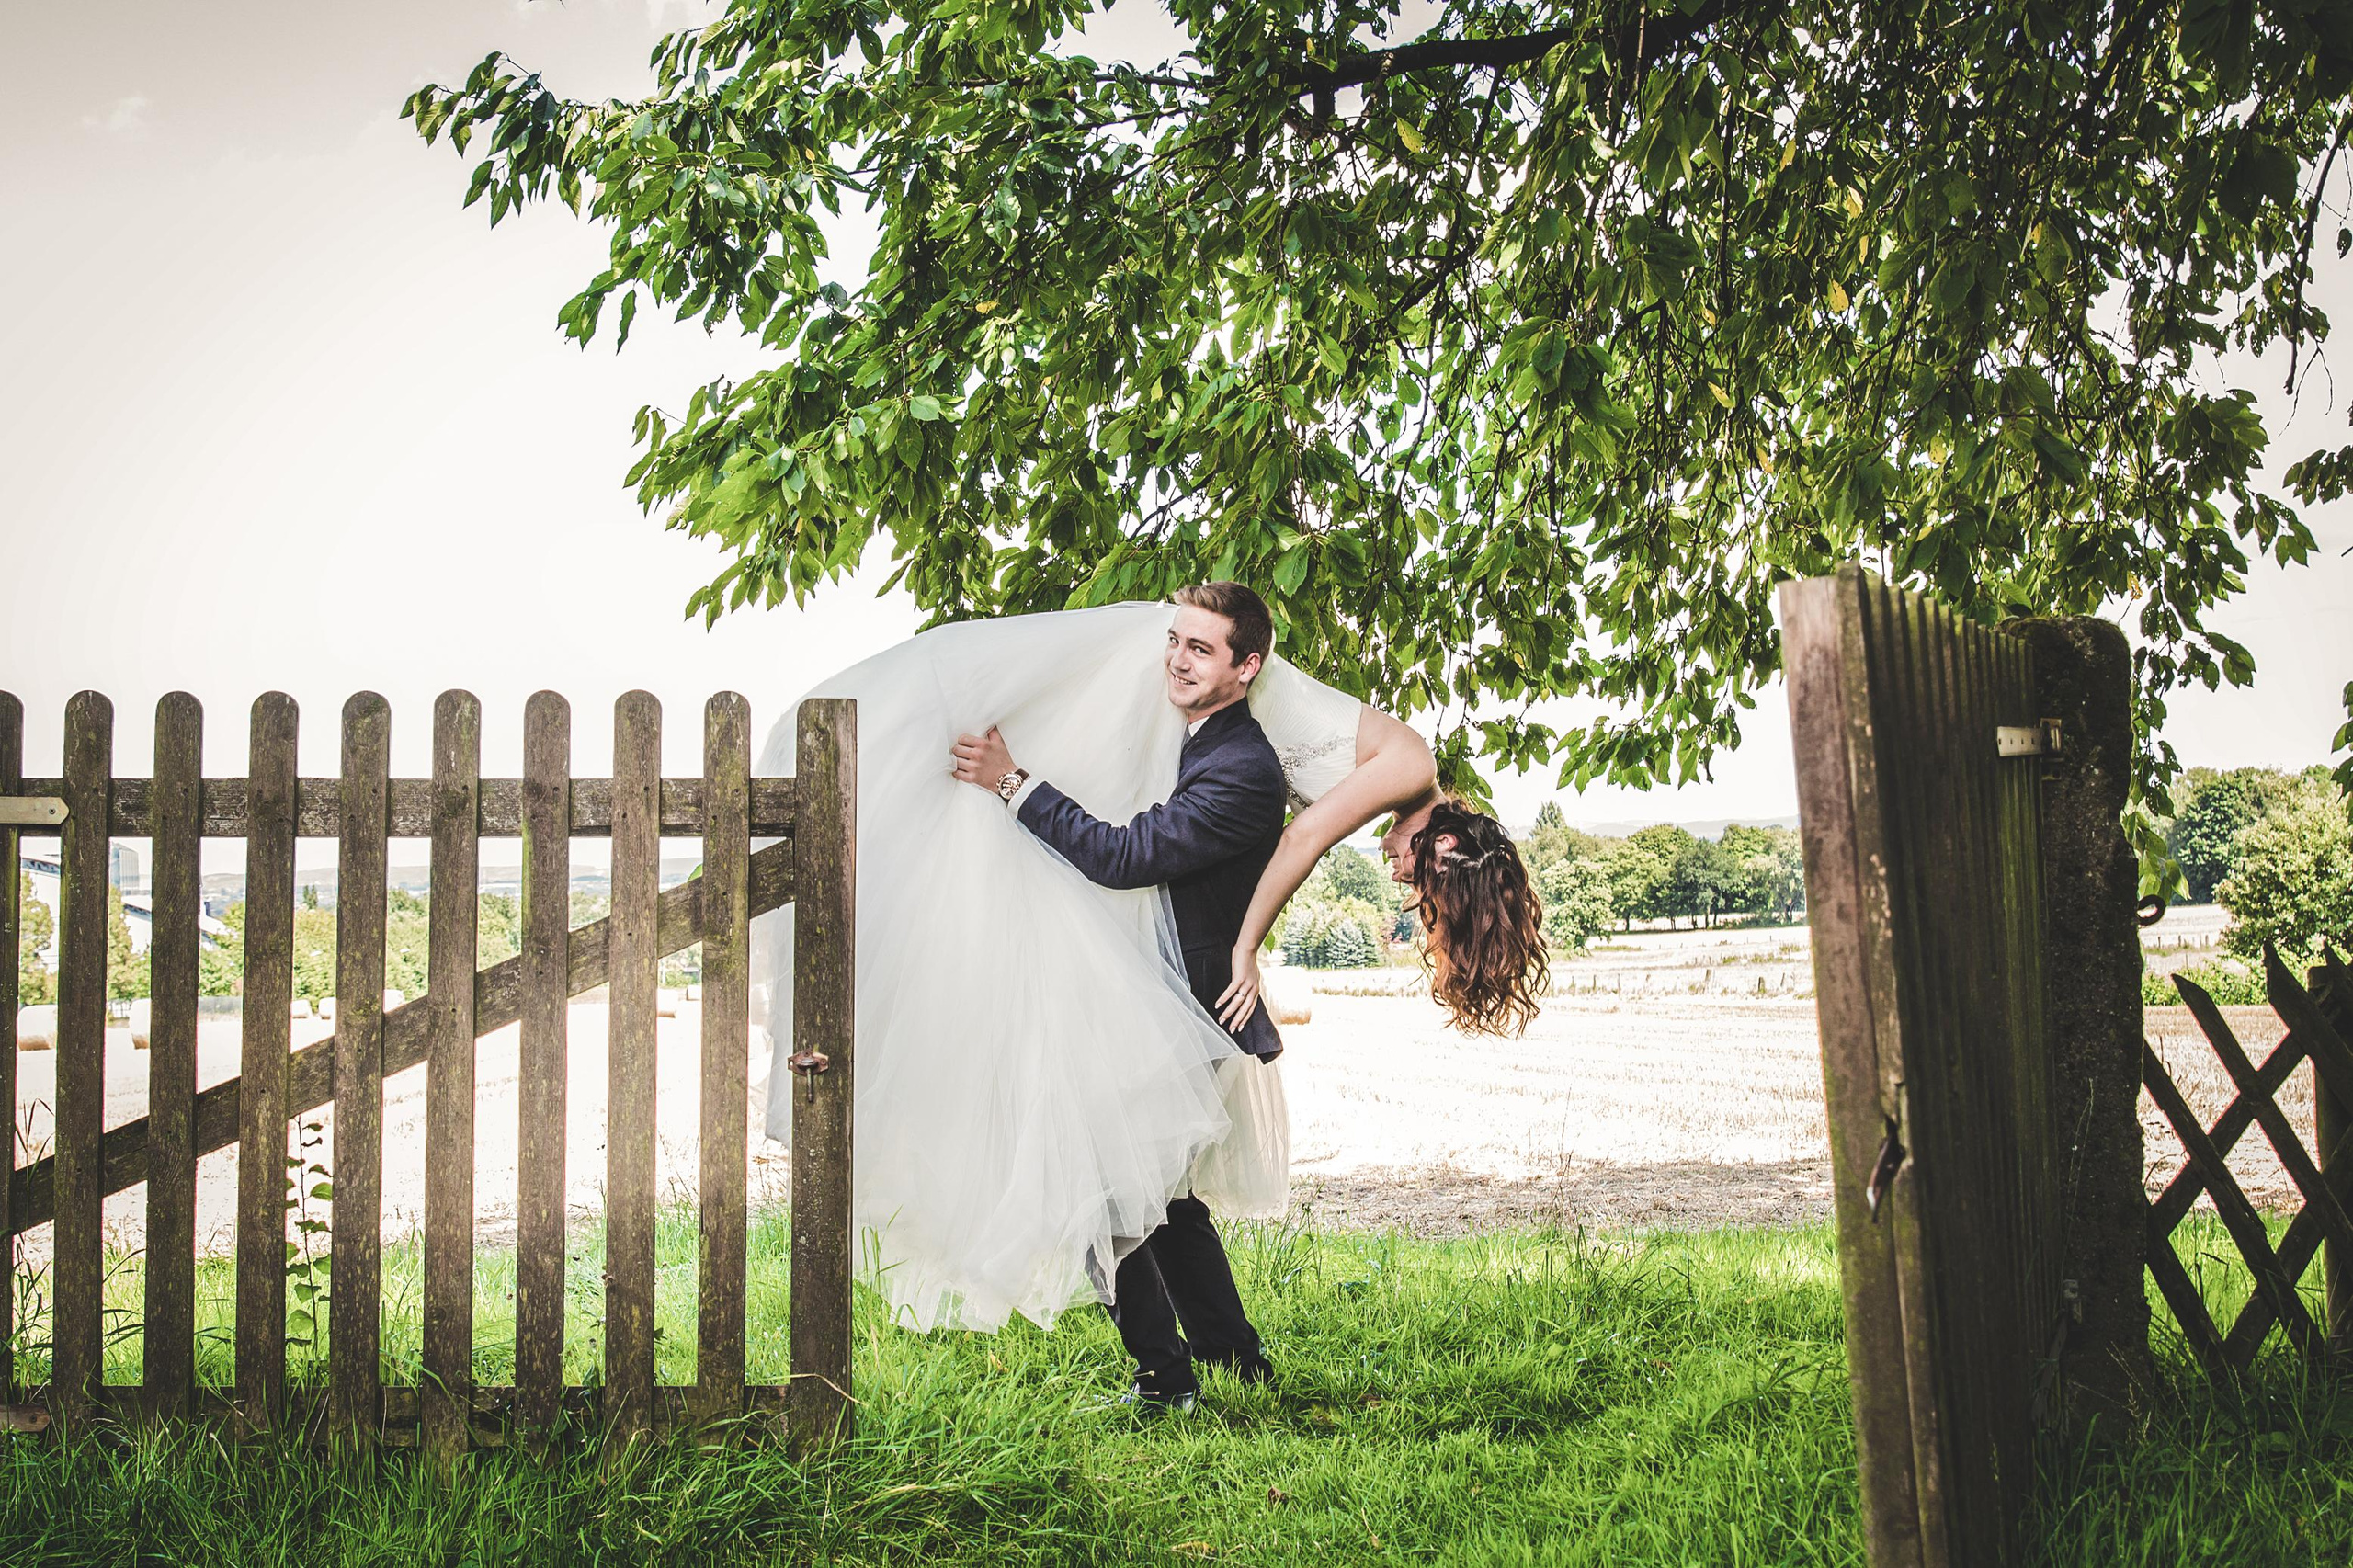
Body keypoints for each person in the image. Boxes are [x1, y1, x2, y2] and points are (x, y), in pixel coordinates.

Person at [749, 585, 1546, 1375]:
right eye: (1419, 878)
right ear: (1446, 851)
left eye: (1410, 888)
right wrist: (1246, 948)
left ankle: (1180, 1372)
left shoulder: (1300, 766)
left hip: (1202, 734)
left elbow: (1265, 835)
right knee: (1143, 1178)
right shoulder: (1408, 764)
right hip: (1191, 714)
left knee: (1131, 1178)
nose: (1399, 872)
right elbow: (1300, 837)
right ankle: (1219, 1362)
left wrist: (1241, 944)